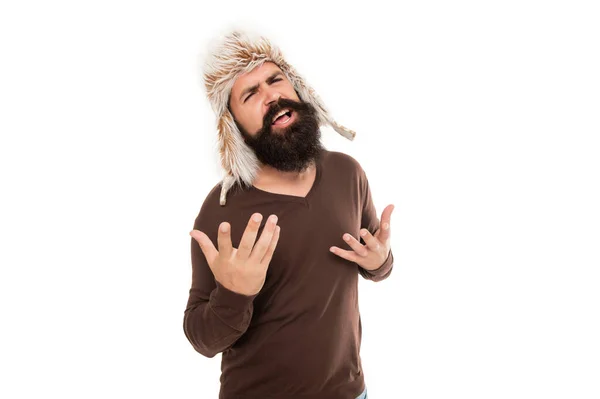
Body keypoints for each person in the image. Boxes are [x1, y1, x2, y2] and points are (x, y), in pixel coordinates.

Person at [183, 30, 394, 399]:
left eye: (275, 80)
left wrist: (380, 262)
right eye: (250, 94)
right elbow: (202, 339)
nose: (271, 96)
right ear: (233, 124)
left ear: (296, 87)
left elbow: (373, 256)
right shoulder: (222, 211)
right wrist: (234, 294)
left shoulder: (348, 173)